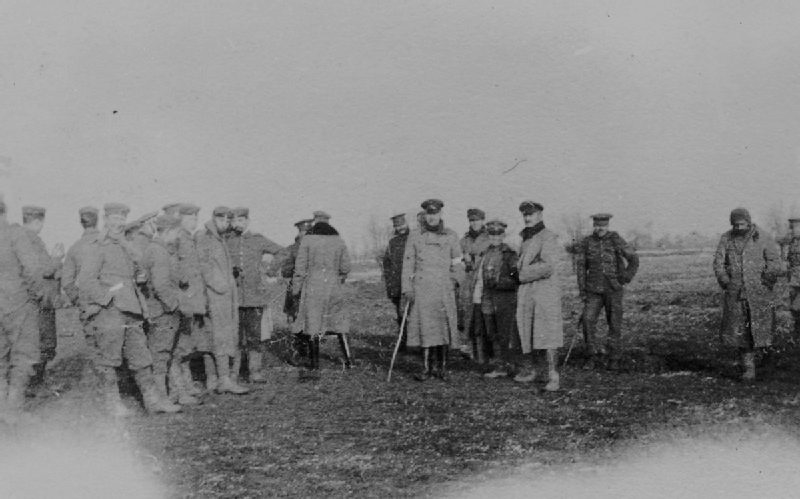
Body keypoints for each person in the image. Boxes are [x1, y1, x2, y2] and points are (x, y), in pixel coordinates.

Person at [78, 202, 180, 415]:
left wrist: (139, 278)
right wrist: (106, 299)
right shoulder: (97, 246)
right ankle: (113, 404)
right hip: (110, 312)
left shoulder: (126, 246)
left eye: (122, 219)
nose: (119, 223)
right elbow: (86, 280)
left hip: (132, 310)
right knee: (109, 359)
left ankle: (153, 402)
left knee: (141, 358)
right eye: (114, 219)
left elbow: (137, 270)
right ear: (106, 220)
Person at [713, 207, 781, 381]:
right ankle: (748, 369)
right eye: (735, 225)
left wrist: (767, 280)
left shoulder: (763, 237)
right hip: (736, 294)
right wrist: (726, 282)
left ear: (749, 222)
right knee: (741, 333)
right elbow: (718, 263)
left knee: (763, 329)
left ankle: (768, 362)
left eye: (742, 224)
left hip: (760, 292)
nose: (739, 228)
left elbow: (773, 261)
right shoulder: (726, 238)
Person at [143, 214, 200, 406]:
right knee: (160, 356)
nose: (177, 237)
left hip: (167, 310)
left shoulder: (162, 250)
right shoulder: (157, 252)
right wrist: (176, 306)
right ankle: (161, 399)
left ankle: (177, 394)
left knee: (171, 353)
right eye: (175, 232)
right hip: (163, 312)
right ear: (168, 231)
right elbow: (160, 286)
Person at [401, 199, 461, 381]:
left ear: (440, 214)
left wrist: (455, 281)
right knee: (426, 328)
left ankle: (441, 367)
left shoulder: (451, 236)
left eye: (435, 214)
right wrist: (407, 289)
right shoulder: (415, 236)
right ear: (425, 215)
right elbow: (408, 263)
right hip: (422, 289)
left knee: (442, 329)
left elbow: (458, 263)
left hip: (444, 289)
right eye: (429, 214)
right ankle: (426, 368)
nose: (432, 217)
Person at [226, 207, 283, 382]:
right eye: (234, 221)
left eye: (241, 221)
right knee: (234, 336)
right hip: (233, 297)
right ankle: (233, 373)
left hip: (254, 297)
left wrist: (271, 271)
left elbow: (282, 252)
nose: (237, 224)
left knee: (254, 336)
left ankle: (255, 371)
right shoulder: (227, 240)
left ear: (247, 221)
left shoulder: (258, 240)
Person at [576, 213, 639, 371]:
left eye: (602, 225)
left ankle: (614, 358)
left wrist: (625, 277)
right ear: (593, 226)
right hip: (593, 290)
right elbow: (581, 268)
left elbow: (634, 259)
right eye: (597, 225)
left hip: (613, 289)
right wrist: (582, 290)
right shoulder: (587, 242)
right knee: (588, 320)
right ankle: (591, 356)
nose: (599, 229)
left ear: (608, 225)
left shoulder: (616, 239)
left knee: (614, 324)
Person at [196, 206, 249, 394]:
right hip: (215, 296)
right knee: (219, 337)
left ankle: (214, 379)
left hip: (223, 296)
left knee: (217, 337)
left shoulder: (219, 239)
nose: (226, 224)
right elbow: (204, 267)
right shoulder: (206, 238)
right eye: (223, 220)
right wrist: (220, 286)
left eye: (228, 221)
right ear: (214, 218)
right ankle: (223, 379)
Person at [0, 200, 45, 420]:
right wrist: (34, 295)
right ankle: (13, 409)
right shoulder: (15, 235)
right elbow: (33, 269)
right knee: (24, 355)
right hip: (17, 303)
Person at [513, 202, 563, 391]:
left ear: (540, 215)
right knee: (529, 331)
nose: (527, 218)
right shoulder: (525, 238)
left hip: (544, 293)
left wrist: (521, 274)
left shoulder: (548, 237)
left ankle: (553, 375)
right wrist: (513, 274)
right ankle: (533, 370)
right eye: (525, 215)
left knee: (548, 334)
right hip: (527, 293)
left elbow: (548, 266)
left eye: (531, 214)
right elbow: (519, 266)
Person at [291, 213, 351, 371]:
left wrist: (296, 289)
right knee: (339, 324)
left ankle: (314, 364)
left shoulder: (308, 240)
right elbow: (346, 267)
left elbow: (300, 268)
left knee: (313, 324)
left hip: (313, 287)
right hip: (334, 287)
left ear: (315, 221)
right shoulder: (339, 240)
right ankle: (349, 361)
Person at [21, 206, 64, 386]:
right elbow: (44, 270)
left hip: (35, 300)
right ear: (38, 221)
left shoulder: (25, 240)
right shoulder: (31, 241)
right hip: (38, 302)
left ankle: (35, 380)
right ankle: (33, 382)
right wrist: (56, 258)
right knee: (43, 342)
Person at [175, 203, 215, 393]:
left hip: (198, 299)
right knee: (183, 343)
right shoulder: (177, 239)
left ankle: (199, 380)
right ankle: (186, 384)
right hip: (185, 299)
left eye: (195, 219)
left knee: (198, 340)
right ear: (180, 219)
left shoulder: (194, 239)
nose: (193, 222)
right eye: (189, 218)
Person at [473, 219, 519, 380]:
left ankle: (510, 365)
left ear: (503, 235)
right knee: (491, 333)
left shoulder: (509, 254)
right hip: (487, 298)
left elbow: (516, 278)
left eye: (498, 234)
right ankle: (499, 365)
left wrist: (500, 283)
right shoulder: (485, 253)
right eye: (492, 234)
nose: (495, 238)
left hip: (504, 299)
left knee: (505, 333)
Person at [458, 208, 490, 361]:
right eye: (471, 220)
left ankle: (484, 351)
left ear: (482, 220)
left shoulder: (489, 237)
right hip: (467, 282)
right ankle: (467, 346)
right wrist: (464, 259)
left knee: (483, 316)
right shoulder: (464, 240)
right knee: (467, 315)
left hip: (483, 282)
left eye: (477, 220)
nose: (474, 223)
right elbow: (457, 259)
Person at [382, 213, 410, 352]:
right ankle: (403, 341)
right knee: (400, 314)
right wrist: (390, 286)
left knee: (414, 314)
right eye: (397, 226)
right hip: (397, 285)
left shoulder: (414, 239)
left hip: (411, 284)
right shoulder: (392, 243)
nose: (400, 228)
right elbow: (387, 265)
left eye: (402, 224)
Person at [62, 207, 100, 308]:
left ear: (81, 223)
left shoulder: (74, 248)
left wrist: (77, 300)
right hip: (112, 303)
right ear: (97, 221)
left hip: (87, 303)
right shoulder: (110, 243)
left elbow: (66, 281)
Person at [783, 217, 800, 337]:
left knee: (796, 307)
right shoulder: (793, 242)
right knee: (793, 308)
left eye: (795, 227)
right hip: (793, 279)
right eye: (792, 227)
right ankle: (797, 330)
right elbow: (789, 260)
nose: (793, 230)